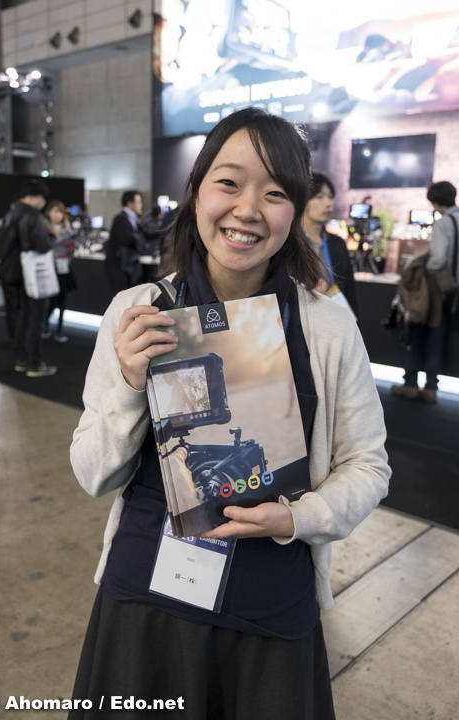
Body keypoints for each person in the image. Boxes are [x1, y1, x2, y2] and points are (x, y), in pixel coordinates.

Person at [69, 108, 390, 720]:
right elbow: (91, 472)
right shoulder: (137, 311)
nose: (248, 209)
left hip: (268, 613)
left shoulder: (326, 327)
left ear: (294, 210)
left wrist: (297, 517)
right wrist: (131, 383)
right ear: (196, 191)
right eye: (229, 182)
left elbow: (368, 466)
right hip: (145, 605)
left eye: (274, 193)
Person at [392, 180, 459, 404]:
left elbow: (437, 259)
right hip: (453, 293)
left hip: (436, 291)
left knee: (410, 333)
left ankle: (411, 382)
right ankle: (431, 387)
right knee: (438, 338)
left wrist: (424, 268)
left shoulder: (443, 223)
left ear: (435, 203)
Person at [12, 180, 57, 378]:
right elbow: (42, 246)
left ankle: (22, 359)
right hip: (35, 274)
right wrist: (52, 237)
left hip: (18, 272)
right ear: (39, 197)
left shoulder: (13, 213)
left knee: (23, 315)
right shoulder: (33, 216)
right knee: (37, 318)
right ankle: (35, 364)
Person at [302, 172, 359, 319]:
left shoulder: (337, 243)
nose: (328, 203)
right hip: (302, 320)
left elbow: (349, 291)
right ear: (303, 200)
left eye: (330, 196)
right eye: (319, 197)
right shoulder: (290, 243)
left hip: (334, 318)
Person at [43, 200, 78, 342]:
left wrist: (72, 247)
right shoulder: (44, 227)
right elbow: (45, 246)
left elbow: (70, 247)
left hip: (64, 267)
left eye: (61, 212)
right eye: (55, 212)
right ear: (49, 212)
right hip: (49, 268)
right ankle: (45, 325)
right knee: (51, 301)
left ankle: (59, 329)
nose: (58, 215)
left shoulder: (67, 227)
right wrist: (56, 235)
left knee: (62, 301)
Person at [0, 194, 20, 343]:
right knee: (11, 306)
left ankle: (19, 336)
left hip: (22, 273)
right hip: (7, 273)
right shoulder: (0, 224)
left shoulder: (23, 223)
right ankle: (15, 337)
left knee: (20, 306)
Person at [105, 190, 148, 295]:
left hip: (128, 266)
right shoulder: (120, 219)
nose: (141, 204)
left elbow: (144, 234)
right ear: (129, 203)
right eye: (138, 202)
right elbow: (127, 240)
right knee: (121, 296)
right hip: (119, 267)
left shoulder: (134, 219)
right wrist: (140, 242)